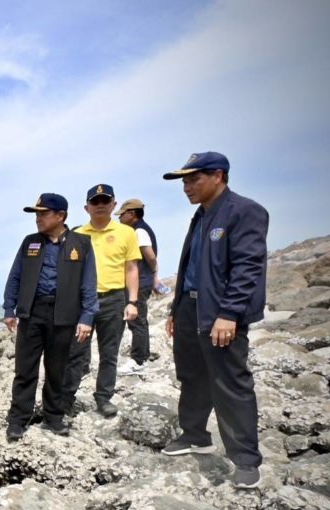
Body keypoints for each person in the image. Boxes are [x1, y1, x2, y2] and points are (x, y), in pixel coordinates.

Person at [161, 152, 267, 489]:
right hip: (190, 308)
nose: (186, 187)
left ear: (218, 176)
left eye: (193, 179)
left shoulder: (244, 211)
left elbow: (248, 267)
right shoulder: (200, 216)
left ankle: (246, 460)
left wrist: (229, 313)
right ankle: (195, 435)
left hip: (221, 312)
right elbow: (191, 267)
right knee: (192, 375)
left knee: (229, 382)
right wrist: (175, 310)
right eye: (184, 182)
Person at [2, 193, 99, 441]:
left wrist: (87, 316)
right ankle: (18, 420)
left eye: (43, 214)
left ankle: (53, 417)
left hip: (64, 315)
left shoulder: (81, 243)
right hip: (32, 313)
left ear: (61, 216)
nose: (38, 218)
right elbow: (15, 275)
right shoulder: (30, 242)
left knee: (58, 370)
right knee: (25, 369)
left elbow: (89, 283)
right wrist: (9, 309)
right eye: (36, 214)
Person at [60, 184, 141, 418]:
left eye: (105, 201)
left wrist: (132, 302)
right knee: (75, 352)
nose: (101, 206)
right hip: (82, 302)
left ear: (114, 204)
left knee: (109, 353)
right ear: (87, 207)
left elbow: (132, 268)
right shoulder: (76, 235)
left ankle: (103, 398)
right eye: (95, 202)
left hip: (114, 300)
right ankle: (66, 398)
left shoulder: (127, 232)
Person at [116, 199, 160, 374]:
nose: (119, 218)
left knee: (137, 321)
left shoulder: (139, 231)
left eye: (122, 214)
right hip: (143, 280)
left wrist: (153, 274)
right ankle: (143, 356)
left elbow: (150, 256)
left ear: (132, 213)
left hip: (140, 282)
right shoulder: (140, 229)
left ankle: (138, 361)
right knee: (140, 320)